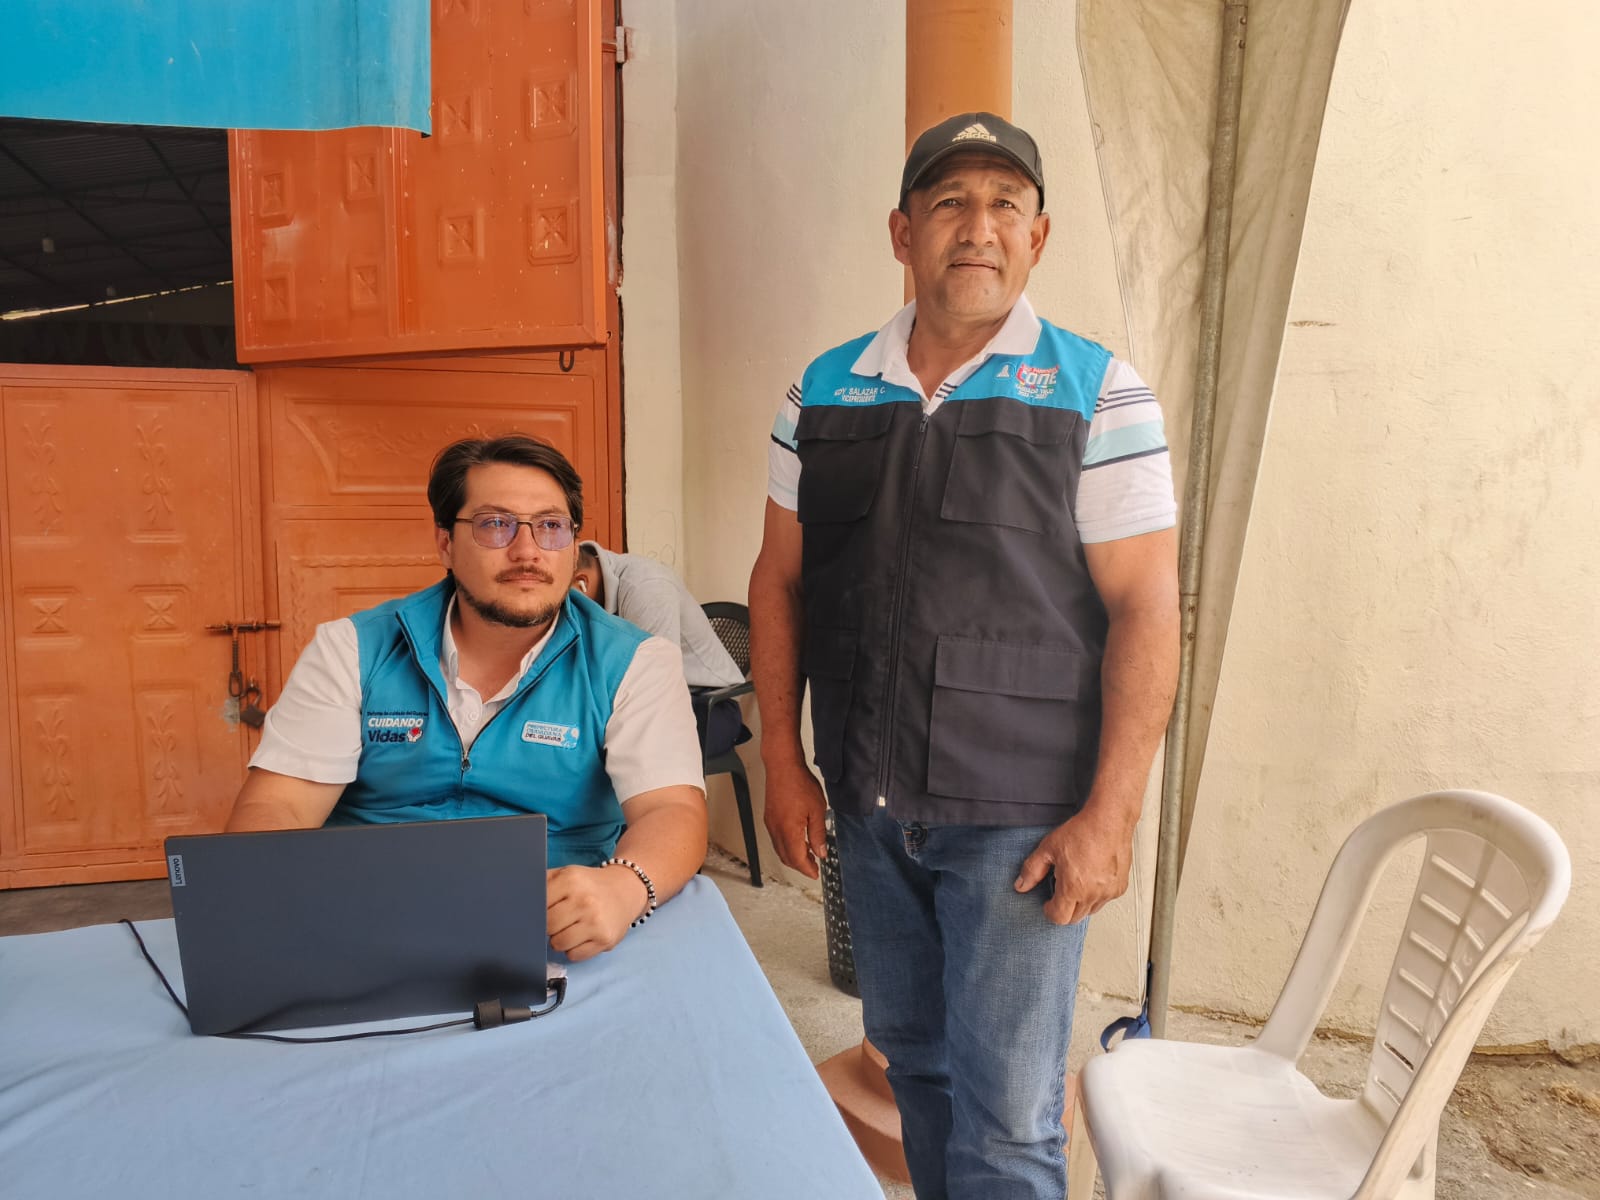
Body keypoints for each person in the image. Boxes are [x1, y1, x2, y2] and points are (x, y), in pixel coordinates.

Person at [747, 112, 1179, 1200]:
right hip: (870, 809)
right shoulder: (823, 392)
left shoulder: (1098, 392)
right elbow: (779, 583)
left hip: (1019, 827)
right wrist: (783, 763)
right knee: (918, 1068)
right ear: (903, 233)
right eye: (948, 203)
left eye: (1003, 205)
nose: (976, 228)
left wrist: (1111, 815)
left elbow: (1145, 610)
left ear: (1039, 236)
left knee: (1010, 1118)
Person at [227, 435, 708, 963]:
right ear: (445, 544)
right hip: (365, 924)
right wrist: (283, 902)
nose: (527, 551)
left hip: (554, 933)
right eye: (495, 524)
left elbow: (671, 810)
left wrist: (624, 887)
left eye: (551, 526)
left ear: (574, 546)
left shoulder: (633, 662)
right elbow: (279, 804)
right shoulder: (354, 649)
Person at [571, 540, 748, 759]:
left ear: (582, 583)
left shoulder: (647, 587)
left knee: (614, 751)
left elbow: (654, 688)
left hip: (709, 707)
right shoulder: (592, 594)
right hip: (649, 703)